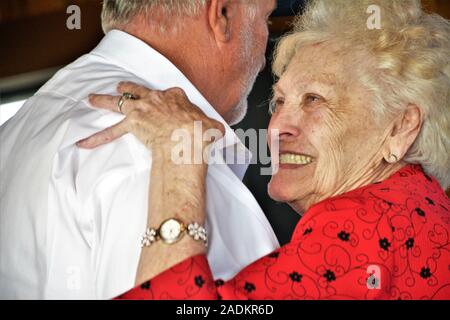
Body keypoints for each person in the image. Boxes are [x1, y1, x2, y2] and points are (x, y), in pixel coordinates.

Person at [79, 0, 450, 299]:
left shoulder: (361, 223)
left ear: (401, 126)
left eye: (314, 99)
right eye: (279, 102)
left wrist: (179, 159)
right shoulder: (421, 207)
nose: (278, 127)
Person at [0, 0, 279, 299]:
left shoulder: (15, 131)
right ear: (221, 14)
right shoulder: (171, 161)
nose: (264, 59)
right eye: (266, 19)